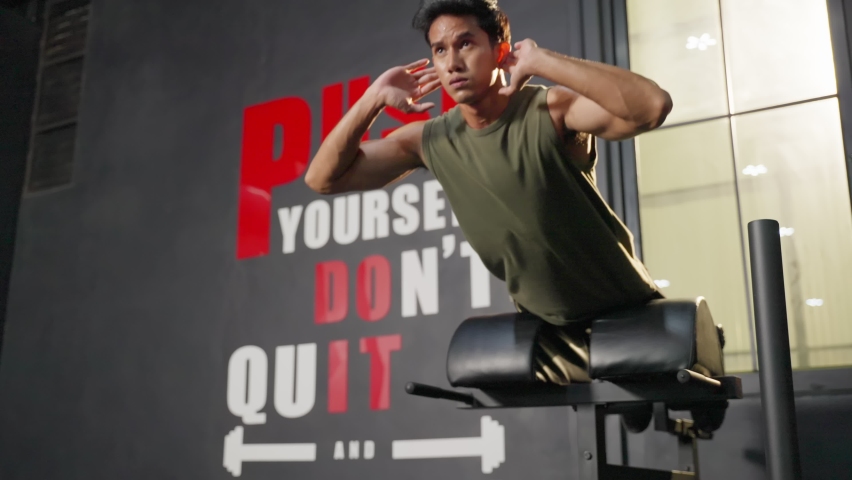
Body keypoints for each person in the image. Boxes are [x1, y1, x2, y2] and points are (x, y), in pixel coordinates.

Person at [304, 0, 673, 384]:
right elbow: (322, 179)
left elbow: (652, 106)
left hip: (626, 307)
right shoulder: (429, 140)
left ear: (500, 48)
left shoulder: (552, 111)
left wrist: (542, 61)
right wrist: (371, 99)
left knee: (652, 402)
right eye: (440, 50)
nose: (452, 63)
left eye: (465, 44)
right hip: (547, 325)